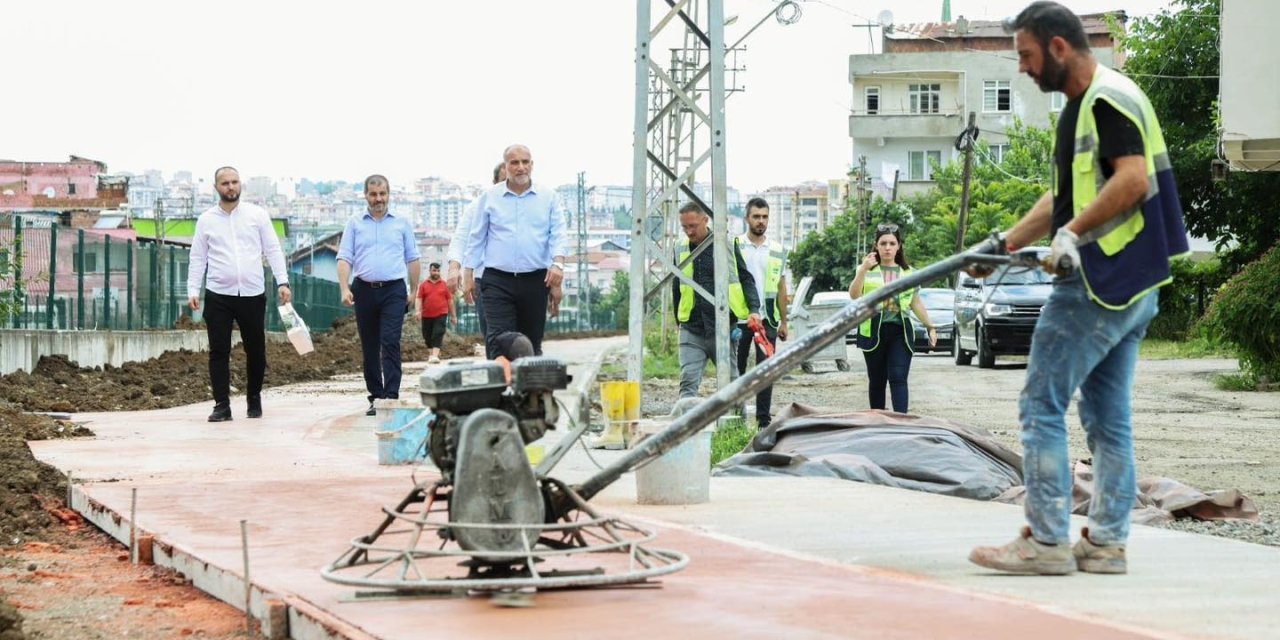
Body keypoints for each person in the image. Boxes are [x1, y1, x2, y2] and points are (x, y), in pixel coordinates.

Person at [969, 1, 1188, 576]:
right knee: (1108, 419)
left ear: (1058, 47)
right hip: (1134, 284)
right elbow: (1062, 200)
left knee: (1040, 403)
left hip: (1098, 280)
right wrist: (1005, 244)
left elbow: (1133, 180)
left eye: (1025, 55)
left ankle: (1045, 541)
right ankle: (1108, 543)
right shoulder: (1083, 107)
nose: (1021, 68)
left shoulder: (1105, 99)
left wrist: (1072, 235)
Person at [187, 166, 291, 422]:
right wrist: (193, 288)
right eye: (225, 183)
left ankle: (253, 398)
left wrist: (283, 282)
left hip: (253, 293)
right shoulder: (206, 220)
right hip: (218, 294)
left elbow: (273, 250)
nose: (230, 187)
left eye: (234, 182)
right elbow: (198, 257)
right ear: (216, 188)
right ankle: (221, 405)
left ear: (240, 184)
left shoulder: (257, 215)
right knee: (218, 351)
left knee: (256, 349)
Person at [461, 144, 566, 358]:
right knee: (499, 340)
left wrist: (558, 265)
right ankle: (500, 389)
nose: (521, 167)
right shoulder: (489, 197)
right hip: (497, 281)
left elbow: (558, 235)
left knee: (530, 343)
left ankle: (527, 389)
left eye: (525, 162)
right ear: (506, 166)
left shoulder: (548, 198)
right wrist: (468, 273)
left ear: (532, 165)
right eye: (514, 162)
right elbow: (476, 237)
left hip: (535, 280)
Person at [337, 175, 421, 416]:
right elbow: (344, 257)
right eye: (373, 194)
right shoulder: (354, 224)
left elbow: (412, 258)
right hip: (363, 289)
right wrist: (344, 287)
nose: (378, 199)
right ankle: (376, 396)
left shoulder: (401, 223)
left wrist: (414, 291)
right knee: (370, 345)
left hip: (394, 290)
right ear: (365, 195)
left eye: (382, 194)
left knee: (390, 340)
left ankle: (391, 395)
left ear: (389, 194)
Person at [671, 201, 761, 400]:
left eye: (693, 226)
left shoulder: (726, 245)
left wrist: (754, 309)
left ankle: (736, 427)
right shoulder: (680, 248)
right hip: (692, 328)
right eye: (684, 227)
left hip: (722, 328)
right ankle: (686, 429)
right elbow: (677, 286)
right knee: (688, 381)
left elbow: (745, 277)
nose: (689, 232)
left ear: (706, 220)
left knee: (730, 384)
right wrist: (679, 321)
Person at [847, 223, 937, 414]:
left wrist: (930, 326)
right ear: (876, 246)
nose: (887, 247)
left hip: (900, 331)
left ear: (899, 246)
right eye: (883, 243)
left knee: (898, 377)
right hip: (873, 330)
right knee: (877, 380)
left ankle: (901, 422)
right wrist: (863, 269)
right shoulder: (866, 270)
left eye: (892, 243)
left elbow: (916, 302)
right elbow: (854, 295)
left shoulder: (909, 272)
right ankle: (879, 422)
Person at [735, 197, 789, 430]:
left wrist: (784, 321)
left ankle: (763, 421)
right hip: (738, 318)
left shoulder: (777, 250)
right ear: (747, 218)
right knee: (737, 370)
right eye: (756, 216)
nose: (761, 221)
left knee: (766, 371)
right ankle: (736, 419)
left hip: (767, 318)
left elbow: (781, 287)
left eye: (765, 217)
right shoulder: (734, 245)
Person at [446, 162, 506, 340]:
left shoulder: (527, 208)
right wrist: (454, 268)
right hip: (485, 280)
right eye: (503, 182)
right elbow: (461, 237)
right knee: (493, 336)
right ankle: (498, 366)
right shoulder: (477, 207)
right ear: (494, 182)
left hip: (521, 280)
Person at [414, 262, 455, 364]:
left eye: (438, 271)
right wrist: (418, 311)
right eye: (434, 270)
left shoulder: (444, 285)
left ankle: (435, 356)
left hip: (441, 314)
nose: (436, 272)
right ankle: (431, 355)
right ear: (430, 271)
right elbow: (419, 299)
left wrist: (454, 316)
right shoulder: (423, 285)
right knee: (427, 335)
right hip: (426, 314)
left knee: (438, 333)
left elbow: (450, 301)